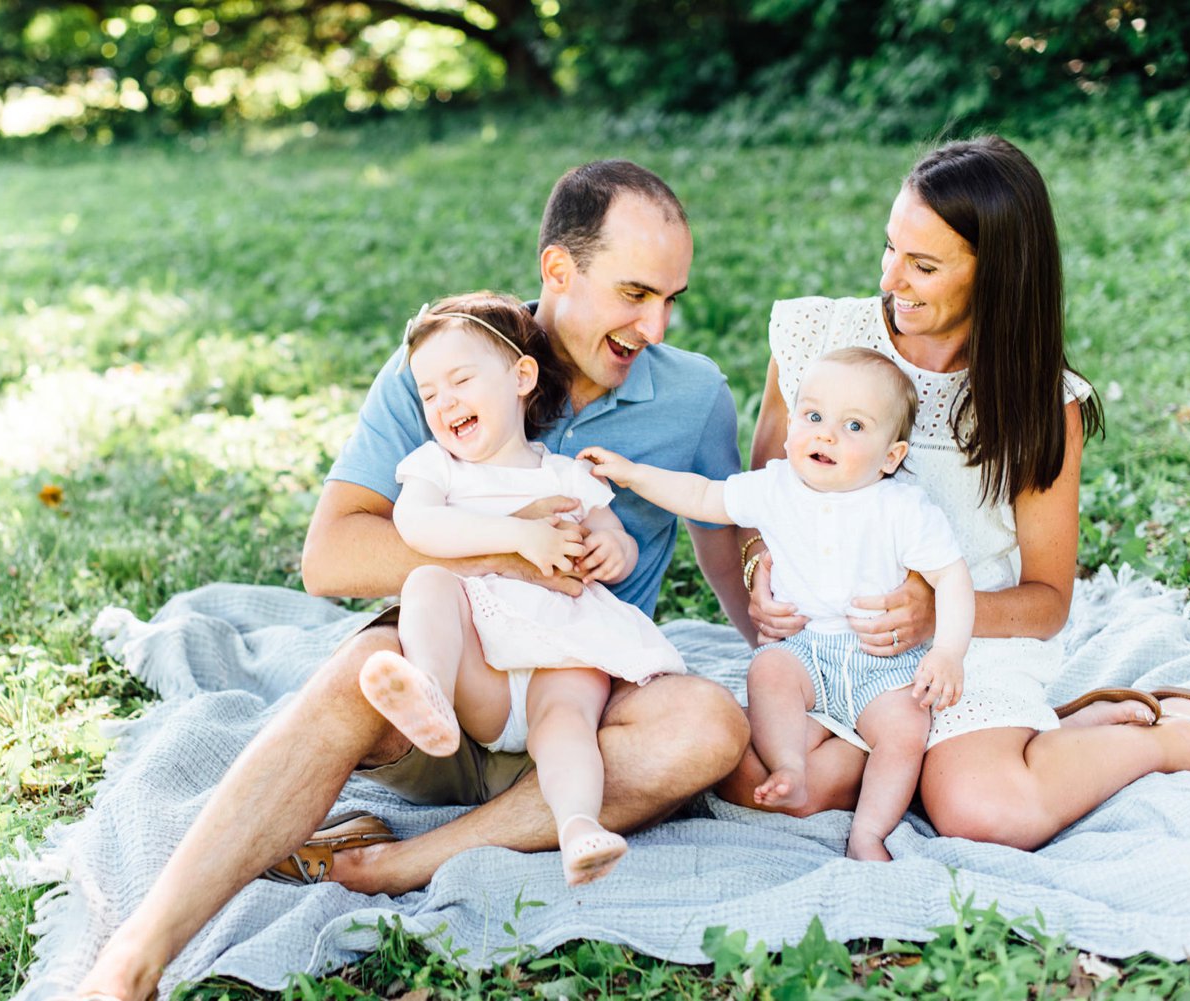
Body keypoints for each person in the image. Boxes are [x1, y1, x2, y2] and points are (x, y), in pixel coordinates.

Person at [73, 160, 754, 1001]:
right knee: (355, 673)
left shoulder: (693, 397)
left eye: (671, 298)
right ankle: (137, 953)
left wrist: (794, 682)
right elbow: (330, 558)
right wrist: (509, 549)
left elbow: (733, 555)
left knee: (709, 725)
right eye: (636, 293)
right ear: (558, 271)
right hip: (440, 693)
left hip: (582, 706)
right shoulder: (447, 364)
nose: (656, 323)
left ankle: (407, 861)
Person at [718, 135, 1190, 849]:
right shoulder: (820, 338)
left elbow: (1049, 602)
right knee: (762, 784)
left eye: (924, 265)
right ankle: (983, 745)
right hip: (839, 641)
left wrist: (936, 615)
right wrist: (757, 563)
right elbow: (765, 489)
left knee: (980, 810)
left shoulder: (1036, 401)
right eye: (890, 247)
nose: (893, 279)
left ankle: (1166, 735)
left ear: (994, 275)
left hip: (971, 641)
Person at [582, 346, 974, 861]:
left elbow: (952, 577)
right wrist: (633, 475)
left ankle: (870, 832)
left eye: (854, 426)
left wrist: (947, 652)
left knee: (905, 730)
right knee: (769, 672)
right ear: (792, 426)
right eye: (813, 417)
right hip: (805, 650)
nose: (827, 434)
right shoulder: (776, 488)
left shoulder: (901, 507)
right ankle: (789, 763)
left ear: (891, 456)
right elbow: (702, 496)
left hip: (882, 661)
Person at [364, 291, 691, 885]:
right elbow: (416, 525)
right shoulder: (435, 467)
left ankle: (577, 827)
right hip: (482, 673)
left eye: (460, 380)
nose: (444, 402)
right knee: (428, 583)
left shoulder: (564, 475)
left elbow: (611, 533)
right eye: (429, 393)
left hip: (564, 655)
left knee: (566, 727)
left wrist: (611, 551)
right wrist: (516, 536)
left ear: (521, 376)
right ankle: (430, 694)